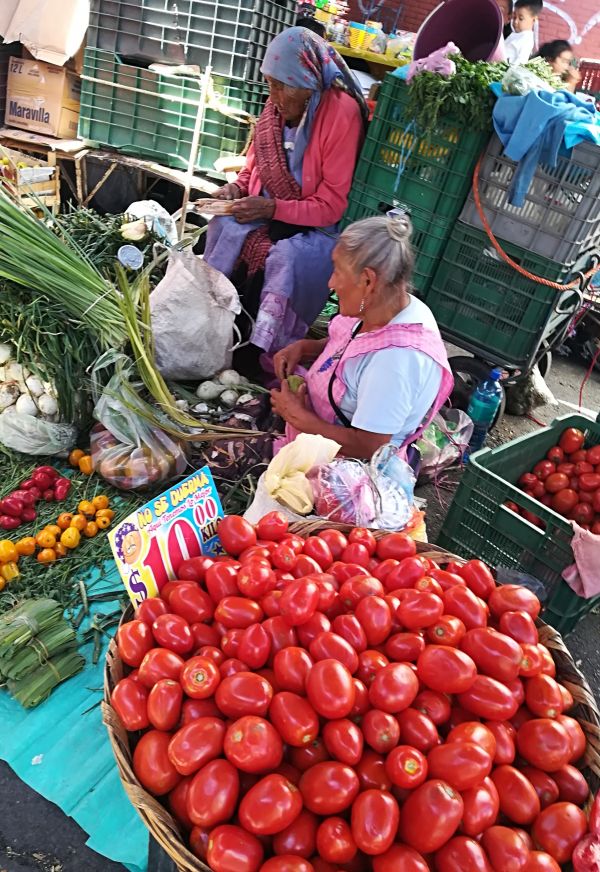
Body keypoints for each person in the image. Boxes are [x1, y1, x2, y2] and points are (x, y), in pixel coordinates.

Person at [204, 26, 367, 375]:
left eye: (280, 86)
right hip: (268, 211)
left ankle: (258, 355)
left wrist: (273, 208)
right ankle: (213, 330)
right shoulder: (273, 109)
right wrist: (236, 189)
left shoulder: (341, 113)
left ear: (308, 85)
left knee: (283, 257)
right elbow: (252, 171)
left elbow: (331, 206)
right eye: (269, 84)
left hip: (314, 227)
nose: (273, 95)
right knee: (224, 224)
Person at [270, 212, 454, 461]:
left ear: (368, 280)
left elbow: (369, 446)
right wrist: (306, 348)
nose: (331, 283)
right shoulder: (387, 307)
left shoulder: (395, 362)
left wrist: (300, 418)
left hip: (349, 468)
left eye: (337, 271)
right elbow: (355, 344)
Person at [504, 0, 542, 65]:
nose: (515, 21)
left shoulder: (527, 40)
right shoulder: (516, 34)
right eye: (514, 17)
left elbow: (520, 62)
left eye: (521, 18)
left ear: (534, 19)